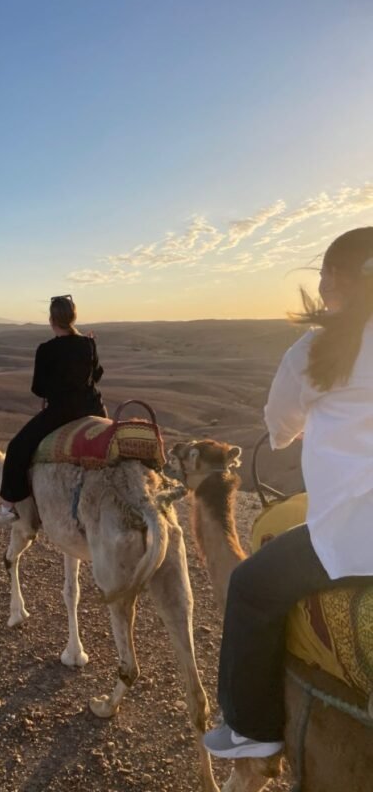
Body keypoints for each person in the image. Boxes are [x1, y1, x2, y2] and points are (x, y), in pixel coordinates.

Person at [203, 227, 373, 760]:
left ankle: (252, 729)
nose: (321, 284)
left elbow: (280, 425)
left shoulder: (317, 349)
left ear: (339, 280)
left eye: (325, 273)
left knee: (251, 587)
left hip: (353, 537)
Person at [0, 295, 106, 524]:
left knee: (17, 447)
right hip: (94, 408)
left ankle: (8, 506)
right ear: (73, 317)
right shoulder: (88, 343)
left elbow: (38, 388)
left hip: (63, 412)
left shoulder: (46, 349)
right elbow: (96, 376)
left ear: (51, 319)